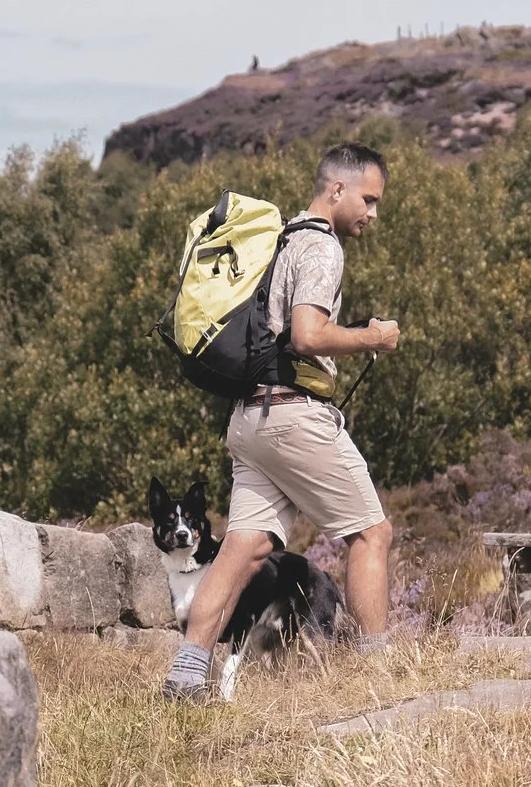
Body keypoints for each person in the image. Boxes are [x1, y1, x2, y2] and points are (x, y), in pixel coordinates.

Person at [162, 143, 401, 700]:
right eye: (368, 199)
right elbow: (308, 335)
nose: (372, 214)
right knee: (372, 532)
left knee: (244, 546)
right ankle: (375, 676)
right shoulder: (321, 247)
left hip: (250, 419)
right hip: (293, 417)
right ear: (336, 190)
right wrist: (375, 337)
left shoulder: (283, 238)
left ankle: (187, 673)